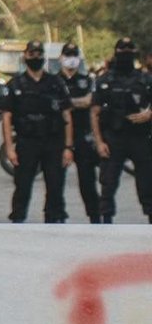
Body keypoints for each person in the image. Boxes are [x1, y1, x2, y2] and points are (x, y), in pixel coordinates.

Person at [1, 39, 73, 223]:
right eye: (32, 54)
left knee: (55, 184)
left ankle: (54, 221)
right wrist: (9, 148)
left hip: (53, 141)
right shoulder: (16, 84)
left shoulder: (55, 83)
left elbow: (67, 116)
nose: (36, 57)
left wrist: (68, 147)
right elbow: (7, 118)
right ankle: (18, 220)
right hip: (27, 141)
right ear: (25, 56)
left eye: (39, 54)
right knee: (23, 185)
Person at [91, 36, 152, 224]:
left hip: (140, 138)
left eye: (129, 51)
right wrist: (99, 142)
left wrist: (149, 114)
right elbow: (95, 112)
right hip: (113, 137)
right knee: (108, 183)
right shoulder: (104, 80)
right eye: (121, 51)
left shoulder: (145, 79)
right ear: (115, 53)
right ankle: (106, 222)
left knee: (147, 183)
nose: (125, 55)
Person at [58, 42, 102, 223]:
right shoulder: (54, 80)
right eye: (67, 55)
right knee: (56, 182)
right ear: (61, 58)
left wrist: (66, 104)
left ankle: (95, 217)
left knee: (87, 181)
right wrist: (76, 103)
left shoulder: (87, 80)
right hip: (59, 136)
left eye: (74, 55)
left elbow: (89, 101)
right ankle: (56, 217)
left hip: (83, 135)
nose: (71, 59)